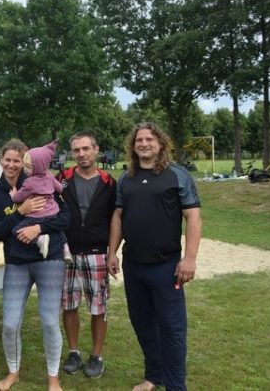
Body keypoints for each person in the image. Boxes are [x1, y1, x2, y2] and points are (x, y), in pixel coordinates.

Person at [107, 122, 202, 391]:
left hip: (166, 266)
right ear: (133, 145)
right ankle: (153, 376)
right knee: (143, 323)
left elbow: (193, 217)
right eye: (139, 140)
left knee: (171, 329)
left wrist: (190, 258)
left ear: (160, 143)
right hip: (134, 265)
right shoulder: (126, 178)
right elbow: (118, 215)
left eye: (150, 139)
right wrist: (112, 252)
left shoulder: (177, 175)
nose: (144, 143)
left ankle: (175, 385)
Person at [0, 139, 71, 391]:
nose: (12, 165)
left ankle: (53, 378)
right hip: (17, 263)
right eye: (7, 160)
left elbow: (66, 217)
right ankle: (13, 372)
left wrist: (39, 228)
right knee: (10, 323)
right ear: (1, 159)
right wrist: (20, 212)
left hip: (50, 259)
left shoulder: (41, 178)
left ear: (25, 161)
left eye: (17, 160)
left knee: (49, 321)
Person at [57, 132, 116, 379]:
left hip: (97, 253)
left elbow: (116, 218)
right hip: (68, 252)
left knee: (98, 307)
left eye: (85, 149)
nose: (81, 154)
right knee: (69, 305)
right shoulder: (63, 178)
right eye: (76, 150)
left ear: (96, 150)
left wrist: (113, 251)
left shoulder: (109, 182)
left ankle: (96, 356)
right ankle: (73, 352)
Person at [10, 141, 65, 260]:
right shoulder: (49, 175)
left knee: (16, 230)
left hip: (37, 216)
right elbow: (60, 188)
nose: (25, 169)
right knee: (60, 232)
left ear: (38, 166)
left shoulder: (29, 182)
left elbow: (18, 197)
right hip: (53, 213)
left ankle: (39, 239)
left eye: (28, 167)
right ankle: (66, 249)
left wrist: (13, 195)